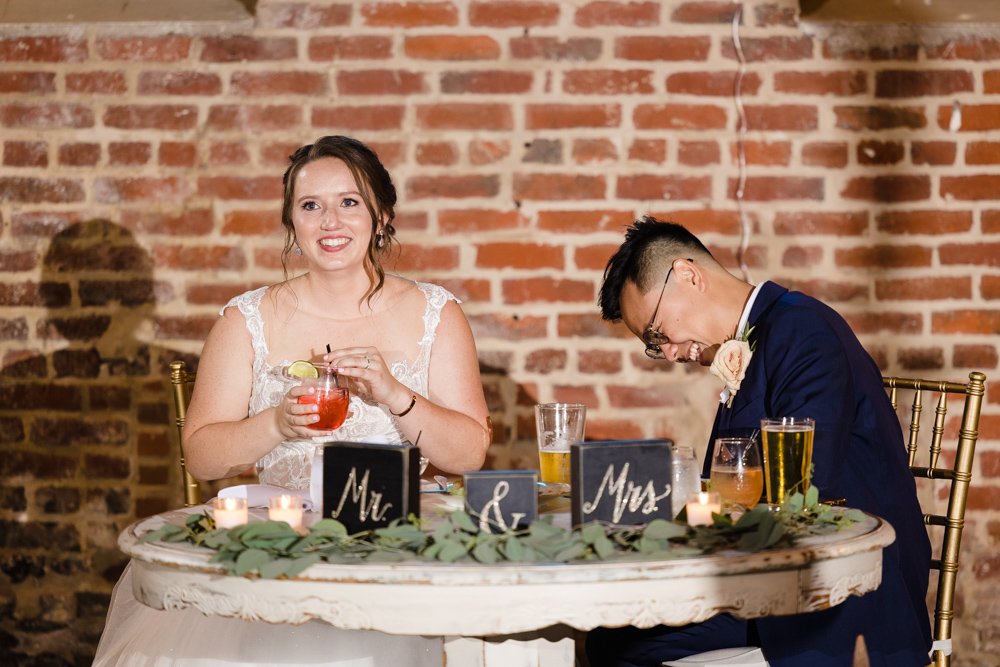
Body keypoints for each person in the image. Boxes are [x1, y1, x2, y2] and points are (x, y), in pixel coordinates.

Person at [94, 135, 491, 666]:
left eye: (349, 202)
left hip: (396, 552)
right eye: (311, 206)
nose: (331, 221)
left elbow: (468, 456)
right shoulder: (247, 320)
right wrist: (278, 423)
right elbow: (205, 457)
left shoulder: (436, 313)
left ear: (382, 216)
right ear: (292, 225)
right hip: (274, 554)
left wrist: (396, 395)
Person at [588, 217, 932, 667]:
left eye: (656, 332)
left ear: (689, 275)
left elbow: (802, 492)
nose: (667, 352)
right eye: (653, 346)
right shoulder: (758, 338)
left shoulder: (804, 332)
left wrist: (691, 521)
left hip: (837, 596)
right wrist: (662, 518)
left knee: (622, 650)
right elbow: (733, 490)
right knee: (606, 636)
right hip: (769, 576)